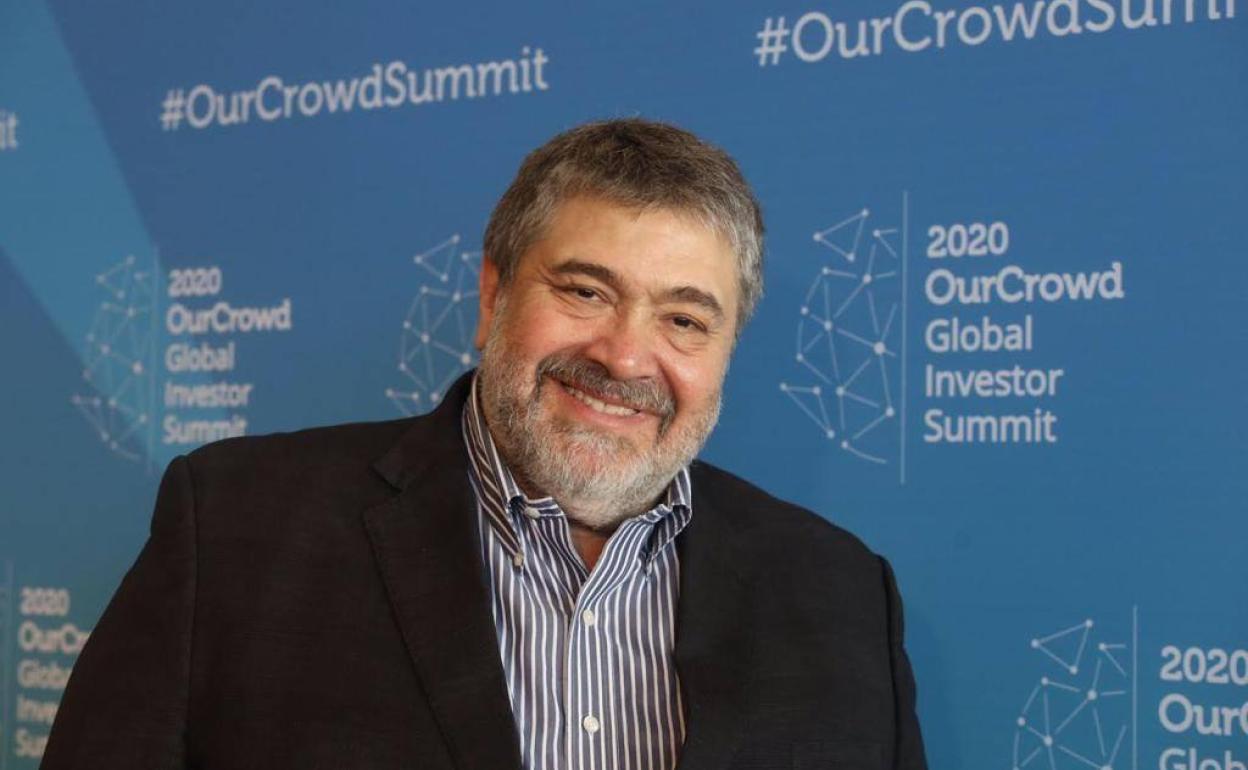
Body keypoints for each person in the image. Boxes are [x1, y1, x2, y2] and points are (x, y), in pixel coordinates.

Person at [43, 119, 927, 770]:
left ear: (727, 348)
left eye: (685, 319)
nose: (625, 356)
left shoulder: (842, 595)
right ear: (492, 296)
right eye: (585, 291)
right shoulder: (235, 528)